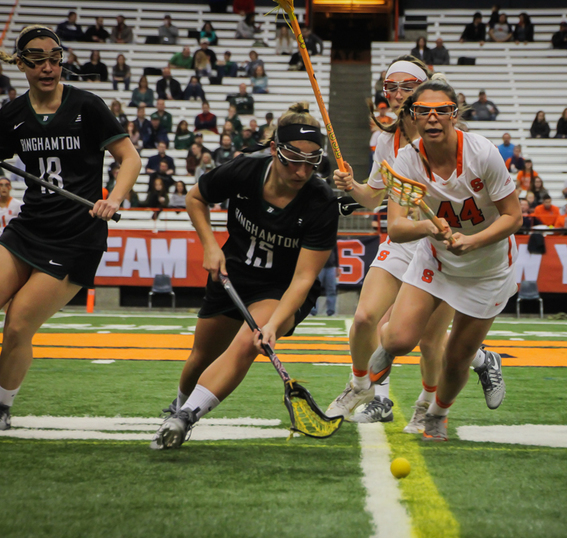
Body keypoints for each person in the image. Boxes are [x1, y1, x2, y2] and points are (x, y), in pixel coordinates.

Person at [0, 25, 139, 429]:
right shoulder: (11, 115)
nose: (48, 67)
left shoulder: (88, 106)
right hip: (30, 226)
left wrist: (114, 197)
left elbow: (129, 158)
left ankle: (1, 407)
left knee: (18, 323)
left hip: (78, 237)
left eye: (54, 58)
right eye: (37, 59)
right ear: (21, 64)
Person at [151, 103, 339, 449]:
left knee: (246, 344)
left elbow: (303, 279)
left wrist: (274, 324)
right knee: (201, 355)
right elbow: (196, 198)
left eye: (311, 163)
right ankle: (179, 404)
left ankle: (185, 418)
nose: (301, 171)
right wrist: (211, 246)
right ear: (274, 150)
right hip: (233, 273)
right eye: (293, 159)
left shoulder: (322, 201)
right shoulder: (245, 169)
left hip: (280, 289)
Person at [357, 79, 518, 442]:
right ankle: (378, 372)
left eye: (441, 110)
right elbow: (396, 229)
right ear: (412, 116)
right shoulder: (407, 158)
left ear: (454, 115)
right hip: (437, 259)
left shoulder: (483, 153)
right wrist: (429, 227)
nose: (432, 118)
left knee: (456, 358)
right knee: (397, 339)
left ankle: (438, 414)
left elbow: (514, 217)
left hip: (487, 269)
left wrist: (473, 240)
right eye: (423, 111)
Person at [328, 58, 454, 429]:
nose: (396, 95)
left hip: (440, 246)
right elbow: (373, 199)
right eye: (389, 87)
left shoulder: (449, 135)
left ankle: (428, 404)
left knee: (430, 344)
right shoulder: (386, 139)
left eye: (405, 86)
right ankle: (360, 385)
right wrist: (352, 185)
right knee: (366, 318)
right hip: (402, 239)